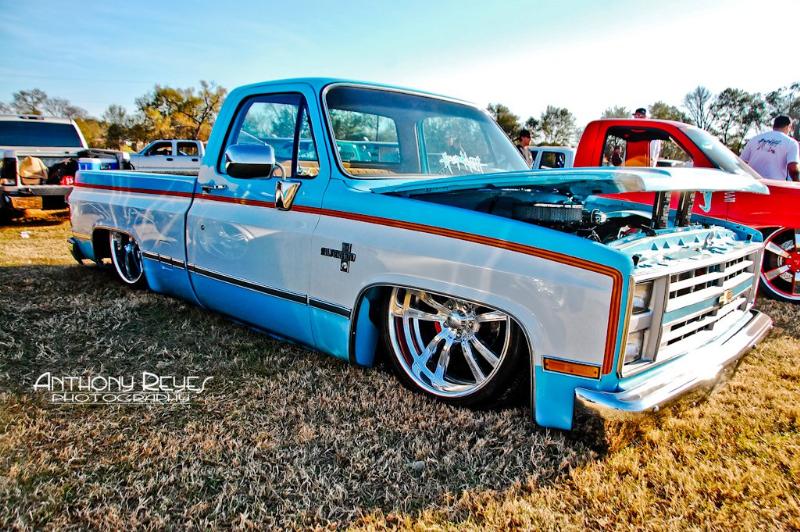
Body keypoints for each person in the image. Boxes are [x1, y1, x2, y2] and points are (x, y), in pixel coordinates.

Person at [740, 115, 800, 181]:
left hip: (753, 182)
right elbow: (793, 168)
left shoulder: (755, 139)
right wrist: (797, 183)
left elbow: (741, 162)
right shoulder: (791, 142)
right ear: (789, 126)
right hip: (774, 184)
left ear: (774, 126)